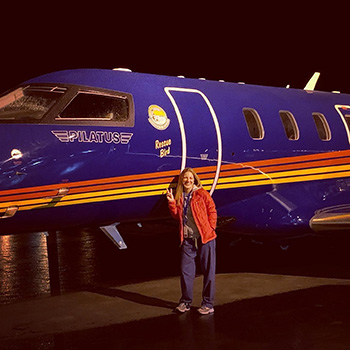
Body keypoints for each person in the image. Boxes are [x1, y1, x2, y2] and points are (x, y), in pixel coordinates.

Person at [166, 167, 217, 315]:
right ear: (182, 180)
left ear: (194, 180)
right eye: (185, 178)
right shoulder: (180, 196)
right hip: (188, 239)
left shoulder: (202, 194)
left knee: (208, 271)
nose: (188, 180)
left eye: (190, 178)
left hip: (205, 237)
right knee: (186, 271)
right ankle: (185, 302)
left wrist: (211, 228)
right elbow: (177, 216)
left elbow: (212, 210)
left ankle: (208, 304)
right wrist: (171, 202)